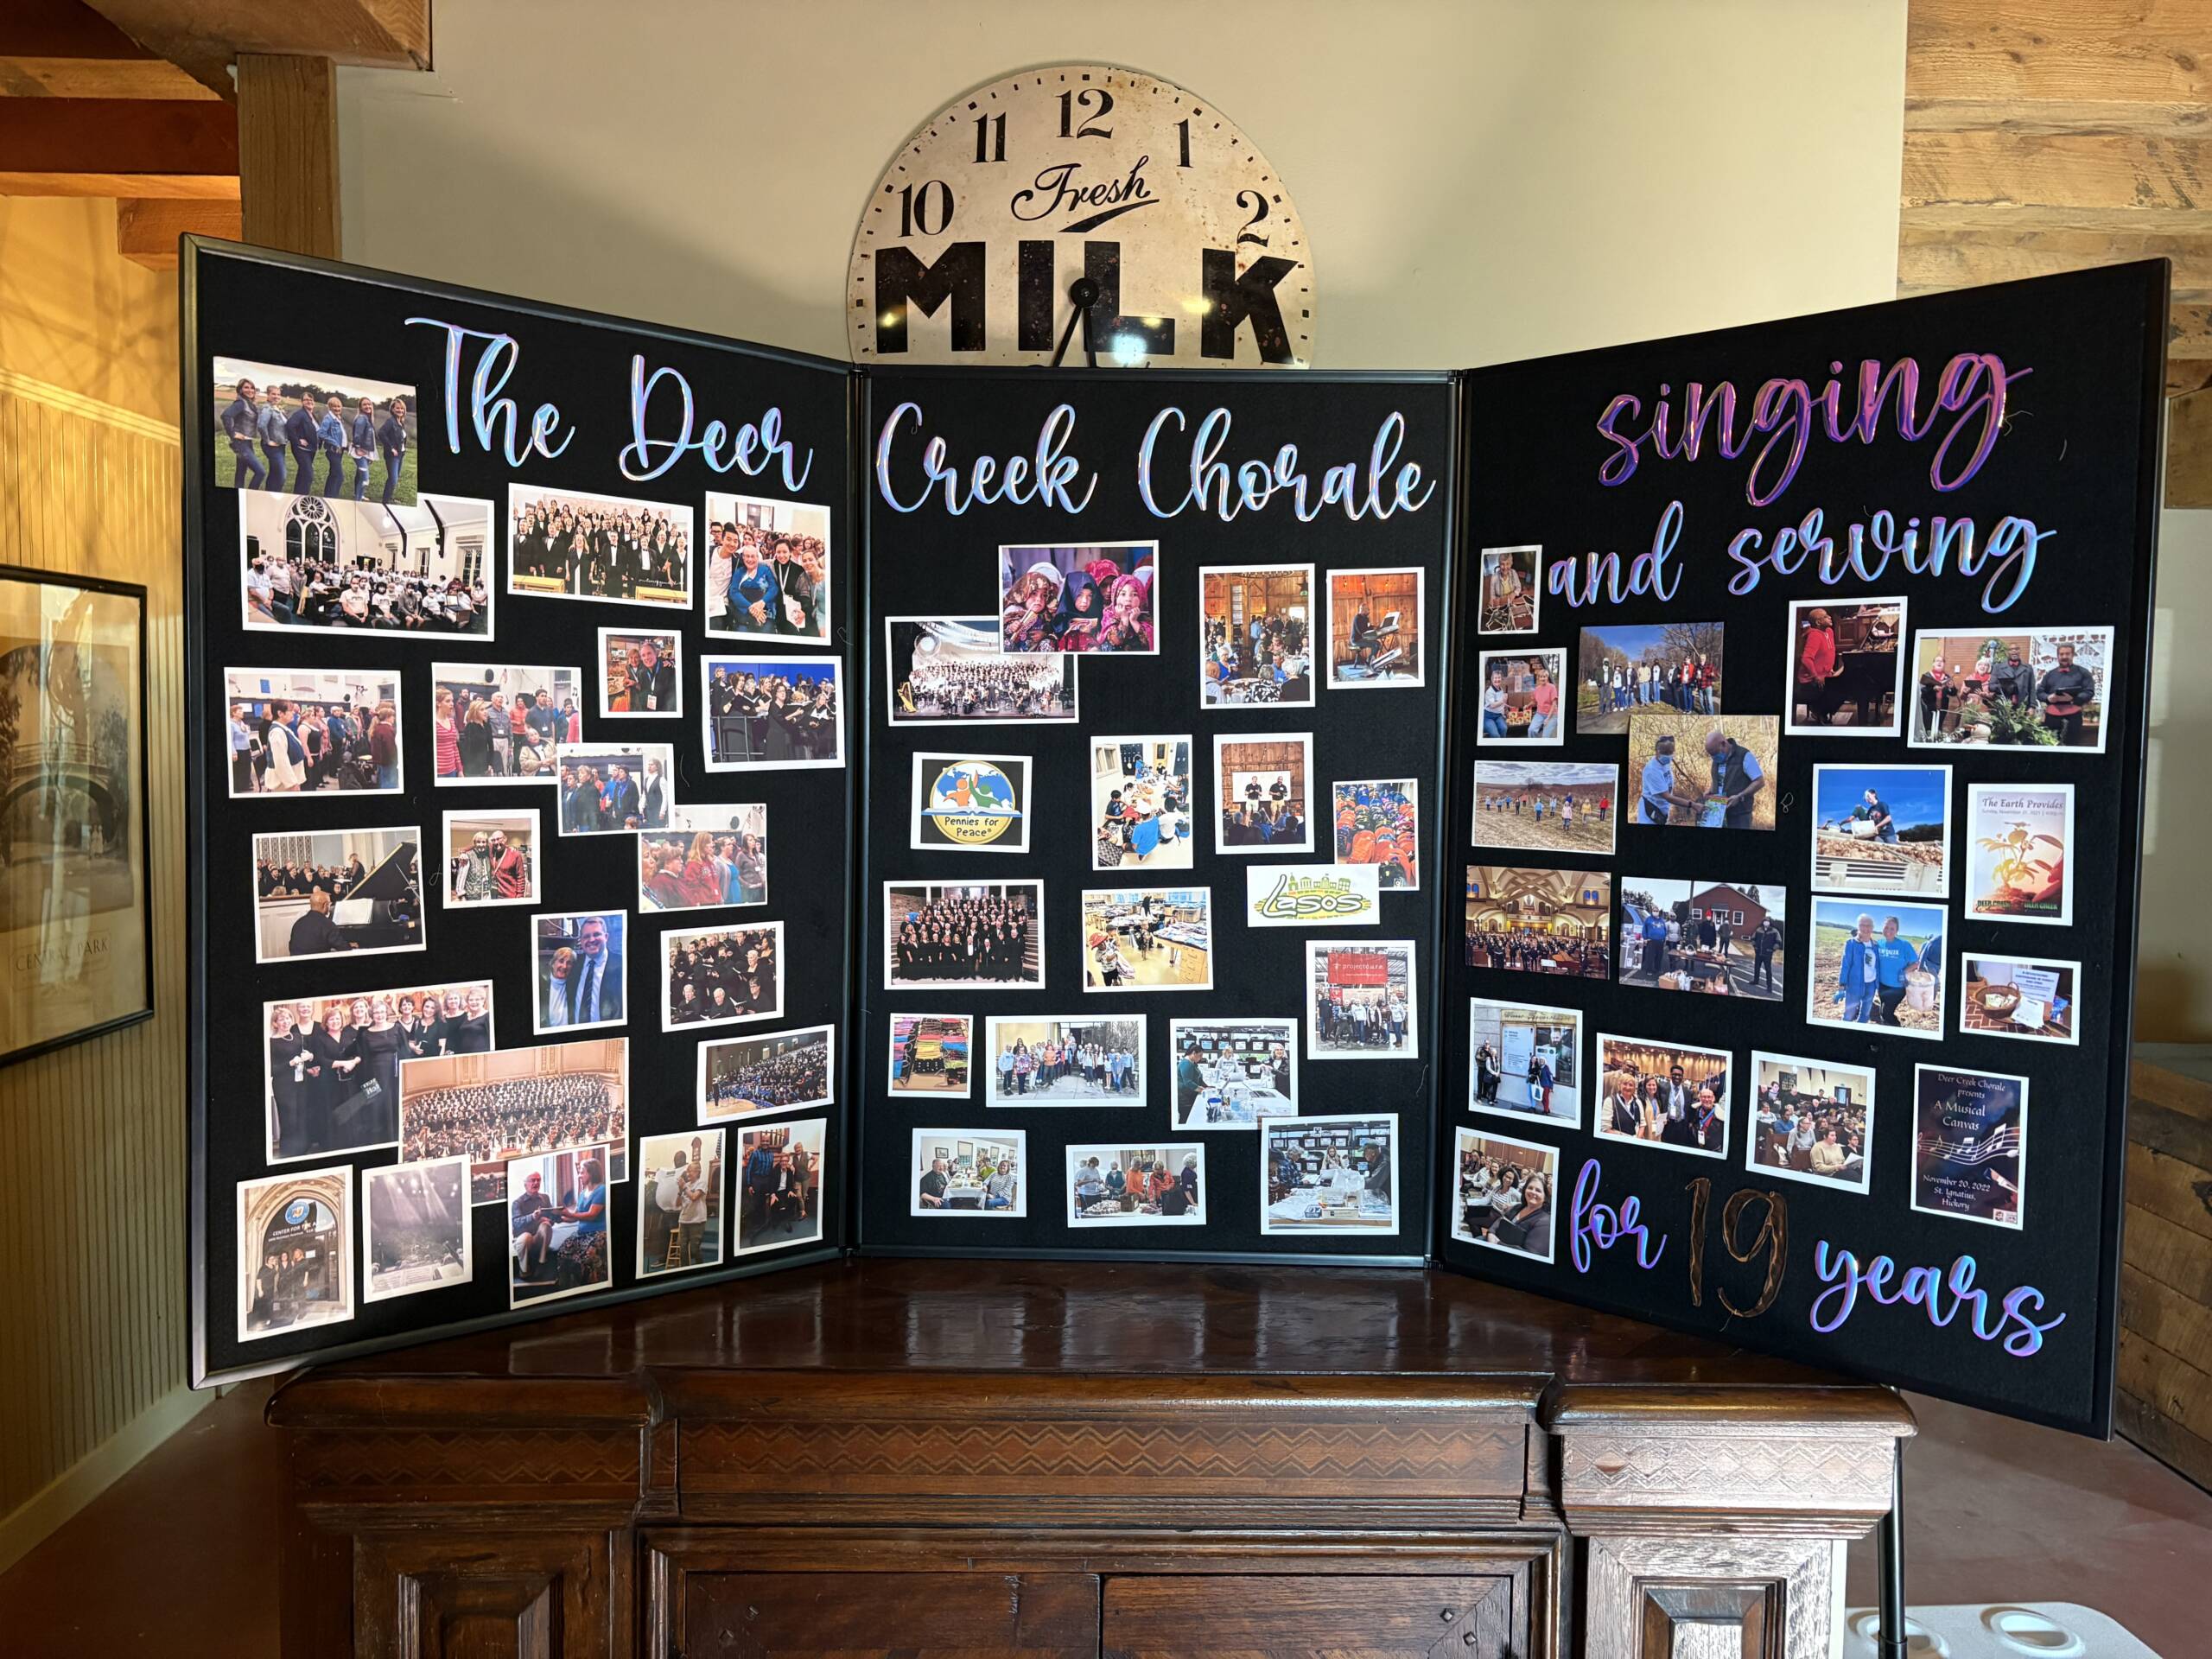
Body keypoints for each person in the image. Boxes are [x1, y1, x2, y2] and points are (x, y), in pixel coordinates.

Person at [2034, 641, 2097, 746]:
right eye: (2061, 654)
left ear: (2073, 655)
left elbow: (2089, 691)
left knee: (2072, 746)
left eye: (2067, 654)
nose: (2064, 657)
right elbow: (2040, 692)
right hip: (2051, 716)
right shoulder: (2049, 674)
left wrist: (2073, 699)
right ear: (2057, 656)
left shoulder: (2083, 672)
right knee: (2050, 745)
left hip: (2074, 716)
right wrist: (2048, 698)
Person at [1703, 728, 1764, 829]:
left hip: (1740, 815)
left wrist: (1739, 796)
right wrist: (1710, 790)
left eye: (1715, 754)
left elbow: (1759, 781)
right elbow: (1718, 778)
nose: (1713, 758)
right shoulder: (1716, 757)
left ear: (1723, 744)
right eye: (1711, 755)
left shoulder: (1744, 756)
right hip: (1718, 813)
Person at [221, 378, 266, 487]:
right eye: (246, 387)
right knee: (260, 472)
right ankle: (251, 493)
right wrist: (233, 434)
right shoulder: (241, 403)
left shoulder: (249, 403)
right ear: (240, 390)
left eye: (252, 388)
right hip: (240, 443)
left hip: (247, 442)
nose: (250, 390)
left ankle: (237, 495)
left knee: (241, 472)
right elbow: (226, 415)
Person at [1836, 912, 1879, 1024]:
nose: (1865, 928)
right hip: (1854, 984)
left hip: (1871, 985)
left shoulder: (1875, 945)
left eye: (1868, 925)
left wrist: (1878, 984)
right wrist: (1842, 984)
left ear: (1873, 928)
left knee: (1865, 1013)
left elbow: (1877, 966)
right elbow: (1846, 964)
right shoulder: (1851, 943)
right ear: (1858, 927)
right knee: (1849, 1014)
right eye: (1862, 925)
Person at [288, 887, 353, 957]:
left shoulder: (298, 923)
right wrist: (351, 945)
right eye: (329, 904)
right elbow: (344, 948)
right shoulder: (328, 924)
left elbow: (292, 947)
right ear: (325, 905)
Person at [1637, 734, 1676, 826]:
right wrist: (1692, 805)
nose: (1668, 755)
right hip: (1649, 814)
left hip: (1662, 813)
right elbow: (1668, 797)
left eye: (1670, 752)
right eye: (1664, 752)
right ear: (1657, 751)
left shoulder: (1665, 763)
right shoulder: (1652, 770)